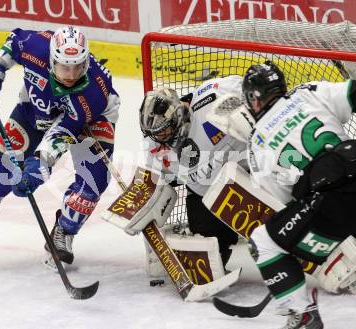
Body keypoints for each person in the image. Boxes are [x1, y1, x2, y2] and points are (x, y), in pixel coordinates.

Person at [0, 26, 120, 266]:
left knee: (93, 180)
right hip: (36, 109)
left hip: (91, 117)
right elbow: (14, 41)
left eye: (78, 66)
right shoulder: (36, 45)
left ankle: (63, 233)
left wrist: (41, 163)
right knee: (5, 171)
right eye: (65, 66)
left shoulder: (93, 93)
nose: (71, 73)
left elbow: (63, 132)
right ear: (52, 58)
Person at [243, 60, 356, 328]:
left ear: (254, 100)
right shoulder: (309, 91)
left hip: (333, 203)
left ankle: (301, 314)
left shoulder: (256, 142)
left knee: (263, 241)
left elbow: (285, 202)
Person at [139, 76, 247, 267]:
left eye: (164, 131)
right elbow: (156, 181)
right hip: (207, 194)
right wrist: (143, 204)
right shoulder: (155, 145)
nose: (160, 138)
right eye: (154, 134)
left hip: (250, 176)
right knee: (207, 257)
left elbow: (253, 89)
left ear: (178, 116)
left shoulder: (213, 96)